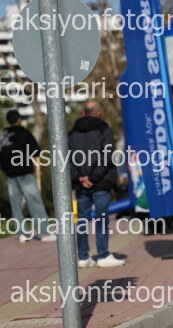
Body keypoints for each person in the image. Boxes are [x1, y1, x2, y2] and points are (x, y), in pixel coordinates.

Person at [69, 101, 124, 268]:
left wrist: (80, 178)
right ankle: (102, 254)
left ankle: (83, 257)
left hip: (80, 184)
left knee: (82, 220)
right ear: (99, 113)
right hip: (100, 182)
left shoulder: (71, 133)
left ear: (83, 113)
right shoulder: (104, 130)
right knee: (101, 219)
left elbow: (66, 159)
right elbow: (107, 156)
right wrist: (92, 178)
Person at [0, 110, 56, 243]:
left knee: (15, 205)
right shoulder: (24, 133)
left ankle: (22, 233)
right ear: (19, 120)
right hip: (25, 173)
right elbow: (36, 150)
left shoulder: (3, 137)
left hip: (10, 175)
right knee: (34, 202)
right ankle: (44, 232)